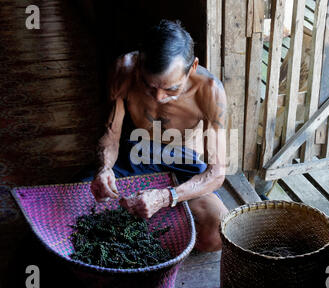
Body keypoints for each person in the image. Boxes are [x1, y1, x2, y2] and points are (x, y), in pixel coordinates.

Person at [88, 20, 228, 252]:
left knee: (217, 232)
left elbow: (216, 173)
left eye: (171, 89)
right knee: (79, 204)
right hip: (135, 153)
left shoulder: (209, 90)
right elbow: (111, 135)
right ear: (139, 65)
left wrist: (165, 197)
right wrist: (104, 169)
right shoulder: (124, 70)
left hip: (183, 163)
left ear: (192, 67)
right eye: (149, 86)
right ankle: (150, 227)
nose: (159, 97)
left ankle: (143, 229)